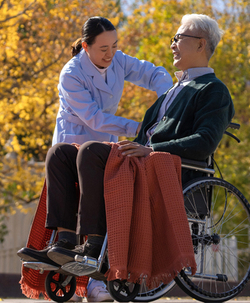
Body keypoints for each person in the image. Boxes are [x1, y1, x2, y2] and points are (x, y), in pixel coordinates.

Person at [43, 13, 234, 265]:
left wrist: (151, 148)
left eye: (179, 38)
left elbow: (204, 141)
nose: (172, 44)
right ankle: (64, 240)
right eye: (173, 38)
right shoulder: (175, 90)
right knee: (60, 153)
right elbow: (128, 125)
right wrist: (142, 142)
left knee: (90, 151)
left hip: (161, 165)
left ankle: (94, 243)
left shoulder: (212, 89)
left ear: (200, 43)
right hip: (140, 157)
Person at [19, 16, 173, 302]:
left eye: (114, 46)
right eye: (103, 48)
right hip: (74, 139)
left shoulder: (117, 60)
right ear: (85, 46)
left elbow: (153, 73)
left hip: (99, 146)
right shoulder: (71, 73)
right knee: (69, 171)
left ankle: (93, 269)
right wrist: (137, 128)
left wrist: (168, 100)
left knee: (95, 187)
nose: (110, 53)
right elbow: (94, 118)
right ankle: (65, 245)